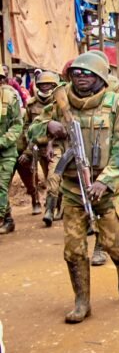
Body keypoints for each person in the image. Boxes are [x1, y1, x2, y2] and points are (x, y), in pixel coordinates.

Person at [28, 52, 119, 322]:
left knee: (114, 244)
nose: (80, 77)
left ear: (100, 77)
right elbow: (33, 130)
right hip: (72, 186)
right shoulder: (60, 100)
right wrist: (48, 127)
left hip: (104, 187)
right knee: (74, 249)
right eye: (76, 73)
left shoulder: (114, 104)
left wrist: (105, 181)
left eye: (87, 73)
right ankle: (82, 301)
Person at [16, 71, 63, 226]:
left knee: (53, 178)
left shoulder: (61, 103)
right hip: (38, 147)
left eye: (48, 84)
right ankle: (56, 205)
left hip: (57, 147)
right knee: (44, 176)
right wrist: (28, 149)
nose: (45, 87)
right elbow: (27, 127)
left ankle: (49, 210)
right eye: (42, 84)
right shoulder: (31, 104)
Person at [0, 71, 22, 234]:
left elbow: (17, 125)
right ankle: (8, 219)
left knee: (1, 185)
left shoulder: (9, 97)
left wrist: (2, 141)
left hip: (6, 152)